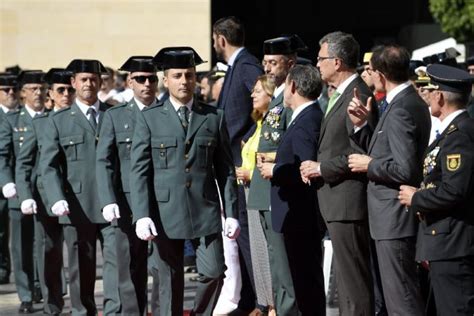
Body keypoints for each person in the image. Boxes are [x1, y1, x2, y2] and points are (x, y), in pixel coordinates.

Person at [130, 47, 240, 316]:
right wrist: (142, 214)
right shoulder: (149, 118)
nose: (184, 81)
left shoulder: (214, 117)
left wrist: (232, 212)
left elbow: (225, 169)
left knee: (214, 271)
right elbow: (139, 170)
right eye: (177, 75)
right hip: (165, 212)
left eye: (189, 75)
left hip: (205, 210)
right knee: (168, 280)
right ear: (165, 80)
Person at [347, 44, 430, 315]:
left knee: (401, 298)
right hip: (390, 218)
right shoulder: (402, 103)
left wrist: (370, 164)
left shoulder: (402, 107)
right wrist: (364, 123)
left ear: (381, 75)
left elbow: (405, 169)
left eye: (370, 70)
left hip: (394, 218)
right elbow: (388, 148)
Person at [299, 31, 377, 316]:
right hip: (335, 201)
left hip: (348, 202)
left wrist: (321, 168)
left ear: (338, 61)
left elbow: (357, 153)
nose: (317, 65)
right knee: (344, 282)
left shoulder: (358, 95)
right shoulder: (338, 94)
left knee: (353, 282)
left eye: (321, 59)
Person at [40, 59, 120, 315]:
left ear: (101, 82)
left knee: (116, 265)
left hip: (113, 205)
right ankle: (82, 312)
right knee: (80, 268)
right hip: (78, 206)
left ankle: (114, 311)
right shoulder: (59, 121)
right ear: (73, 83)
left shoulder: (114, 115)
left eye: (93, 79)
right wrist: (55, 197)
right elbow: (49, 165)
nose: (89, 84)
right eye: (83, 79)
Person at [399, 63, 474, 316]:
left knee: (455, 309)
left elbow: (455, 190)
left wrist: (417, 197)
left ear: (440, 96)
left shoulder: (459, 135)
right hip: (442, 240)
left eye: (430, 90)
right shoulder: (451, 132)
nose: (427, 95)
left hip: (454, 243)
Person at [258, 64, 325, 315]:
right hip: (298, 216)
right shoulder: (307, 117)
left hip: (300, 216)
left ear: (293, 86)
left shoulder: (307, 121)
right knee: (305, 282)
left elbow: (305, 169)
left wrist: (274, 170)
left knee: (306, 284)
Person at [246, 35, 305, 316]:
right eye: (265, 62)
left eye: (273, 62)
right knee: (273, 263)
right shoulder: (279, 97)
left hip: (278, 187)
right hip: (265, 187)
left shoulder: (290, 98)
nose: (267, 68)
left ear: (290, 63)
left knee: (283, 266)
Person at [96, 56, 157, 316]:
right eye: (140, 79)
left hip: (162, 201)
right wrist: (108, 198)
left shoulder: (167, 113)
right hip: (127, 202)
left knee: (160, 267)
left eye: (152, 79)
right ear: (130, 82)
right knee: (127, 267)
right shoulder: (114, 116)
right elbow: (104, 160)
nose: (146, 84)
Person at [212, 16, 263, 312]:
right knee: (237, 232)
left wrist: (254, 137)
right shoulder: (236, 67)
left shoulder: (247, 66)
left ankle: (258, 299)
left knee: (245, 232)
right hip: (232, 162)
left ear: (221, 39)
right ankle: (246, 299)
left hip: (243, 163)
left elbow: (264, 101)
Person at [15, 68, 74, 315]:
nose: (66, 95)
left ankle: (80, 302)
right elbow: (24, 162)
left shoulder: (81, 119)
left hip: (77, 197)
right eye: (61, 90)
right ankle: (52, 305)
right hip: (46, 197)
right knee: (49, 251)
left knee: (77, 251)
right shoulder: (41, 123)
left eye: (70, 90)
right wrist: (25, 194)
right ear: (50, 94)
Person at [0, 70, 47, 314]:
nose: (38, 93)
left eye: (41, 88)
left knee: (46, 244)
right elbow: (3, 157)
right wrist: (7, 182)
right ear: (23, 93)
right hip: (20, 193)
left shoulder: (51, 117)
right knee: (21, 247)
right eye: (33, 89)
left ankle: (44, 287)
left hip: (47, 194)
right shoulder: (13, 120)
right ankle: (26, 293)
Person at [235, 74, 275, 315]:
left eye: (258, 91)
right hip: (251, 192)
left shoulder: (272, 124)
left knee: (265, 249)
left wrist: (250, 174)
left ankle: (272, 304)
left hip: (262, 191)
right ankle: (265, 302)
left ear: (270, 95)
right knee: (258, 251)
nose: (252, 95)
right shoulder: (258, 123)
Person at [0, 72, 18, 286]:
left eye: (14, 89)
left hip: (17, 179)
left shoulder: (22, 115)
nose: (11, 93)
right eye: (5, 90)